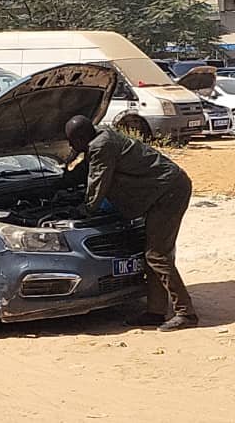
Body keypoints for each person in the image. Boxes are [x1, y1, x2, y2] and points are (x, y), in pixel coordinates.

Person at [65, 115, 198, 332]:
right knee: (151, 253)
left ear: (82, 138)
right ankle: (156, 312)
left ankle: (186, 313)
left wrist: (83, 211)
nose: (71, 145)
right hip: (159, 192)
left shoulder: (102, 145)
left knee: (157, 255)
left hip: (169, 192)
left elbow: (97, 183)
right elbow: (85, 167)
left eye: (72, 141)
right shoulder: (98, 137)